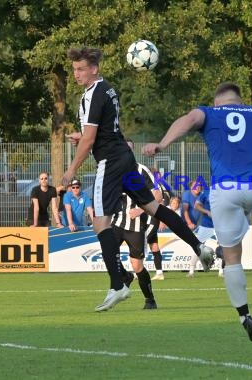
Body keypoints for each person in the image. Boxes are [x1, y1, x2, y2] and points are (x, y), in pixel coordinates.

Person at [63, 46, 214, 312]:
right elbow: (103, 130)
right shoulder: (107, 88)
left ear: (94, 69)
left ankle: (117, 285)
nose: (76, 74)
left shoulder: (91, 95)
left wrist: (72, 168)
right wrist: (84, 135)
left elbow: (90, 139)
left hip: (110, 164)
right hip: (125, 161)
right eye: (74, 69)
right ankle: (198, 246)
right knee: (153, 207)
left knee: (100, 223)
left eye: (81, 69)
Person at [142, 82, 252, 342]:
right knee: (238, 229)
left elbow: (188, 120)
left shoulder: (208, 113)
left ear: (216, 102)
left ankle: (244, 315)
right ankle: (229, 239)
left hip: (226, 189)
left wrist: (163, 144)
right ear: (239, 99)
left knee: (232, 258)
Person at [111, 140, 161, 310]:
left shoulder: (141, 170)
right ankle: (125, 276)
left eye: (128, 150)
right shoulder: (112, 170)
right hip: (116, 221)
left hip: (136, 226)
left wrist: (140, 210)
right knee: (108, 251)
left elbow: (158, 196)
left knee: (137, 265)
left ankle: (150, 299)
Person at [192, 189, 224, 277]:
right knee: (198, 246)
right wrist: (207, 212)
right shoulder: (205, 193)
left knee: (223, 247)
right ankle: (191, 270)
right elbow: (196, 205)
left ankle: (221, 271)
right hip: (206, 225)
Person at [147, 168, 170, 281]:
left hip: (152, 219)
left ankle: (137, 271)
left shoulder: (157, 187)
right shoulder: (161, 186)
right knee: (153, 244)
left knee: (140, 240)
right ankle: (159, 272)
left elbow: (161, 203)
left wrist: (162, 220)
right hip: (152, 218)